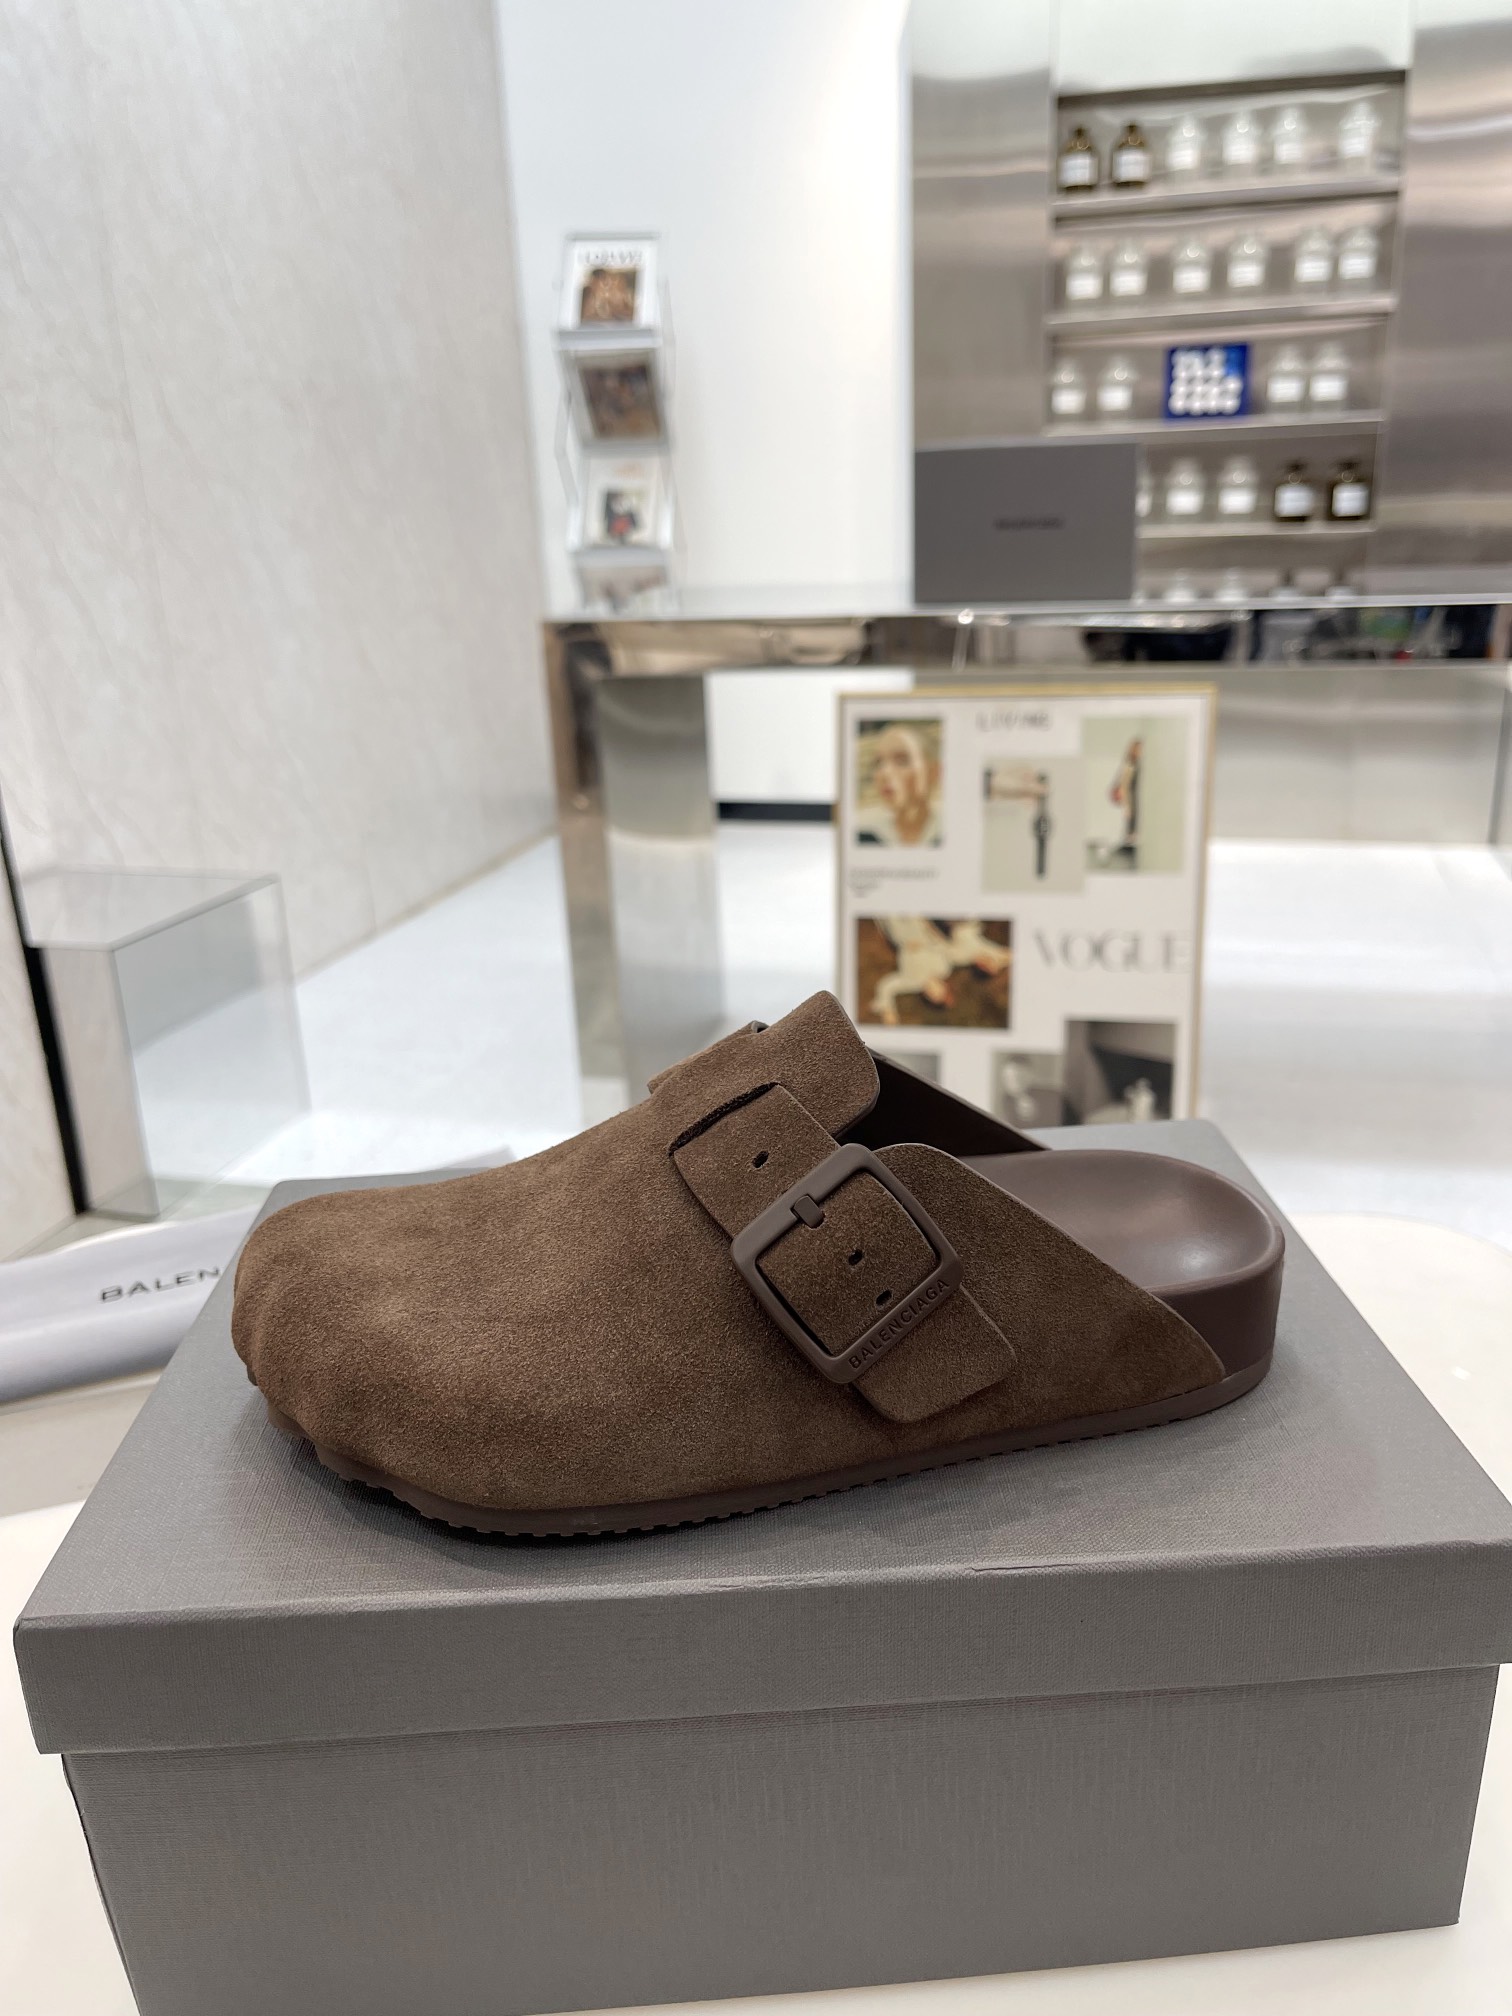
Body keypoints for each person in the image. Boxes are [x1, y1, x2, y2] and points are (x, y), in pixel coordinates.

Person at [856, 724, 941, 846]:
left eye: (902, 761)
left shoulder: (952, 829)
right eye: (878, 763)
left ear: (934, 771)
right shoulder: (862, 831)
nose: (885, 773)